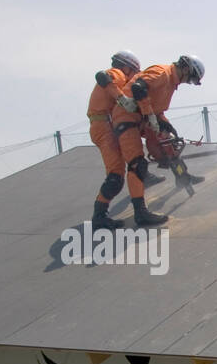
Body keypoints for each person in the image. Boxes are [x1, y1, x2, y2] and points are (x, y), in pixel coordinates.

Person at [110, 54, 204, 226]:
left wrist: (166, 124)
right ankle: (140, 213)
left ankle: (183, 176)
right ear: (185, 68)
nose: (188, 82)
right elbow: (139, 89)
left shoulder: (170, 84)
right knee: (137, 164)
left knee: (169, 144)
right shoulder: (162, 73)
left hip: (143, 118)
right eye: (190, 79)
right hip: (127, 117)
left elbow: (157, 109)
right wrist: (149, 115)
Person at [86, 50, 140, 231]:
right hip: (103, 127)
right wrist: (123, 99)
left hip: (104, 125)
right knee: (116, 175)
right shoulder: (116, 74)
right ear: (126, 67)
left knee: (129, 160)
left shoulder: (116, 77)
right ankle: (99, 216)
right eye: (133, 72)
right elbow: (103, 77)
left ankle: (143, 175)